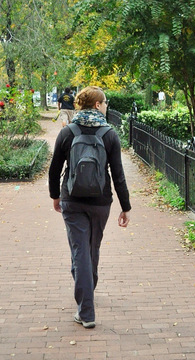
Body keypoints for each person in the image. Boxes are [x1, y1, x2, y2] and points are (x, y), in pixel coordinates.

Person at [48, 86, 131, 328]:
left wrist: (56, 196)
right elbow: (118, 175)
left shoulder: (67, 132)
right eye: (105, 102)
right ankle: (87, 296)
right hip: (100, 202)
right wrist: (125, 207)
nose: (107, 105)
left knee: (80, 251)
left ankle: (85, 308)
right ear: (97, 105)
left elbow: (54, 170)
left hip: (72, 200)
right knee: (91, 248)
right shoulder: (109, 134)